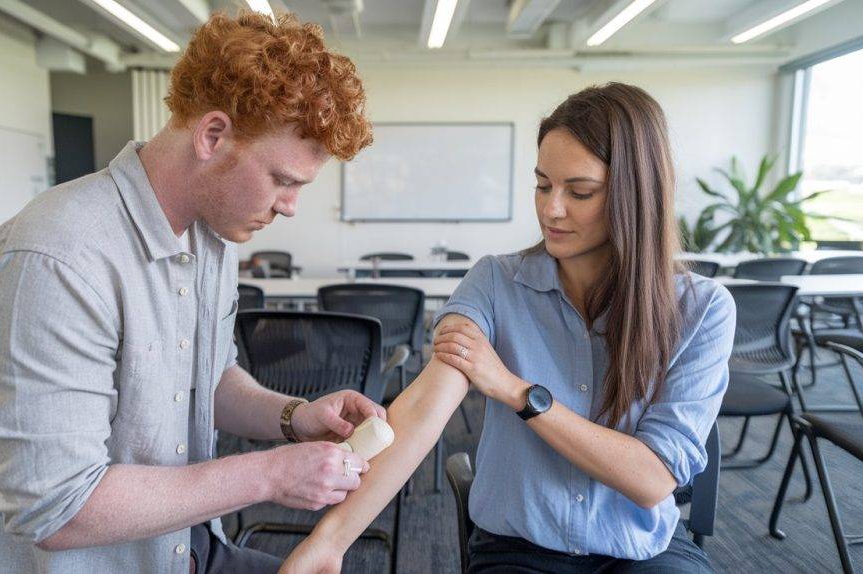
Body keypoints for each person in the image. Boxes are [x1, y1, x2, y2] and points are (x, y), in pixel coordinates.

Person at [0, 11, 378, 574]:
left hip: (183, 549)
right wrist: (274, 473)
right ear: (212, 136)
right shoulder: (55, 259)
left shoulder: (214, 233)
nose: (289, 205)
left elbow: (208, 378)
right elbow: (57, 509)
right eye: (282, 179)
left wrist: (293, 416)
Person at [282, 83, 736, 573]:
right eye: (543, 185)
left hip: (639, 548)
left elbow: (652, 478)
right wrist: (329, 541)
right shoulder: (495, 282)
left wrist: (516, 391)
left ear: (635, 194)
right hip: (520, 550)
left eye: (579, 192)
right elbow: (421, 412)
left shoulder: (702, 309)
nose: (551, 209)